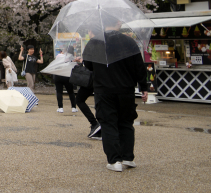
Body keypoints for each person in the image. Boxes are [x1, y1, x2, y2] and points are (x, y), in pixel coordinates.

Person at [84, 18, 148, 173]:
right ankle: (128, 157)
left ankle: (114, 160)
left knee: (108, 123)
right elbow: (139, 66)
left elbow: (88, 64)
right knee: (126, 123)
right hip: (126, 89)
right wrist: (144, 87)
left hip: (104, 89)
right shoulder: (129, 42)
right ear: (118, 23)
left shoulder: (94, 42)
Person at [53, 46, 77, 113]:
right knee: (71, 92)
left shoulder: (59, 55)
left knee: (59, 92)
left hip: (58, 75)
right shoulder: (71, 57)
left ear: (64, 50)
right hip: (67, 76)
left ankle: (60, 108)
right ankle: (73, 107)